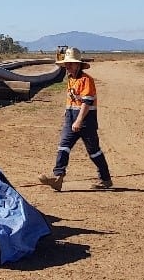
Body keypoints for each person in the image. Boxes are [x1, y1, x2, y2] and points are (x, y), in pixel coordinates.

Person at [39, 47, 113, 191]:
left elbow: (86, 102)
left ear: (78, 64)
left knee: (94, 152)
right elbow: (73, 99)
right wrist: (67, 112)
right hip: (70, 119)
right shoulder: (70, 79)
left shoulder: (87, 80)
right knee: (63, 147)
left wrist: (79, 121)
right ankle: (58, 178)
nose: (68, 66)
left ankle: (106, 179)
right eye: (66, 64)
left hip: (87, 121)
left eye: (71, 63)